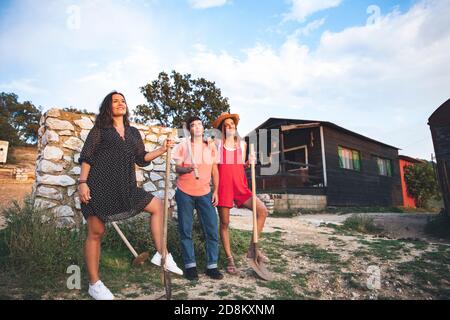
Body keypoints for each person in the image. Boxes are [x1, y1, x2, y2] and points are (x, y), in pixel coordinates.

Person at [78, 91, 182, 300]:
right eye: (115, 101)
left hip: (125, 187)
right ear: (108, 107)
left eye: (123, 101)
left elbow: (141, 158)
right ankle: (94, 284)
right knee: (96, 232)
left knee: (158, 206)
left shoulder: (133, 132)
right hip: (98, 187)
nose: (120, 104)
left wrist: (162, 149)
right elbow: (87, 156)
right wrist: (82, 183)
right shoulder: (101, 129)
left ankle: (162, 254)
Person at [212, 112, 269, 275]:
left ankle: (253, 250)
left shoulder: (242, 144)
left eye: (233, 124)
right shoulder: (217, 144)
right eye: (227, 125)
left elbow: (238, 165)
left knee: (263, 211)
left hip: (241, 186)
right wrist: (215, 189)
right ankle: (230, 259)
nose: (231, 127)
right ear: (223, 128)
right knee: (224, 224)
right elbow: (214, 168)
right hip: (224, 187)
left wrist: (248, 162)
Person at [172, 116, 223, 281]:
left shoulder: (211, 146)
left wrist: (216, 191)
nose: (197, 127)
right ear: (189, 130)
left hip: (205, 192)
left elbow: (215, 170)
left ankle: (211, 266)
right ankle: (190, 266)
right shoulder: (182, 146)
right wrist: (187, 169)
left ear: (203, 127)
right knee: (185, 230)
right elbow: (176, 168)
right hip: (184, 192)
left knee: (211, 230)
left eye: (199, 124)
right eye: (193, 125)